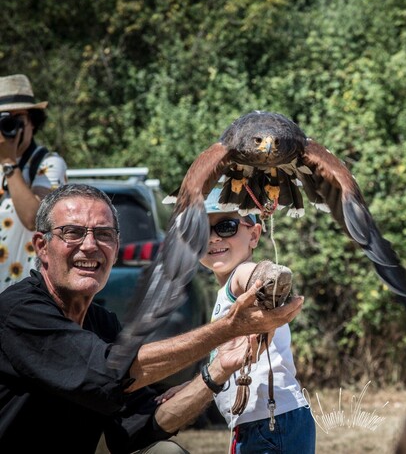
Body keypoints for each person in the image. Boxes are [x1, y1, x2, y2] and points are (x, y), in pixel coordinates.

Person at [0, 183, 304, 453]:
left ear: (116, 248)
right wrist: (228, 328)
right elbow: (107, 374)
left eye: (104, 234)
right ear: (41, 246)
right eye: (73, 232)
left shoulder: (102, 324)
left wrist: (216, 373)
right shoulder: (18, 312)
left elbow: (140, 423)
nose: (90, 245)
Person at [192, 187, 315, 453]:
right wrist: (185, 388)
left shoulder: (238, 279)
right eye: (202, 230)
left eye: (226, 226)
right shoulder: (223, 295)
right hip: (260, 422)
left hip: (270, 423)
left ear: (255, 235)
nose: (213, 238)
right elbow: (221, 365)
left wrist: (268, 277)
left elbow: (252, 274)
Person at [0, 74, 67, 292]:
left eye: (15, 119)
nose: (7, 128)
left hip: (25, 294)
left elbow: (34, 219)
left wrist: (9, 163)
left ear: (32, 122)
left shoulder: (48, 163)